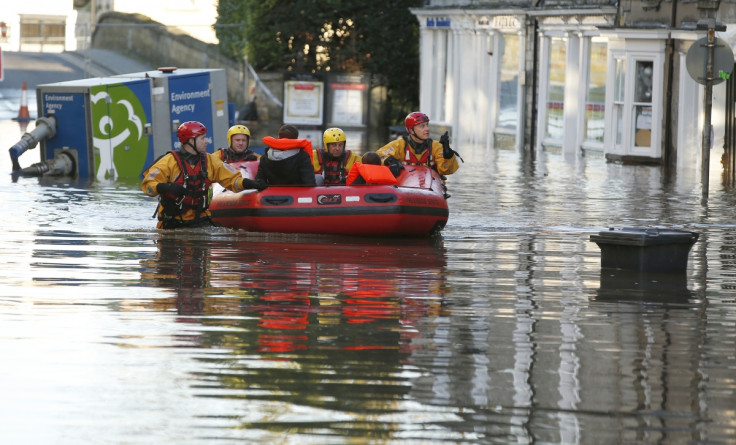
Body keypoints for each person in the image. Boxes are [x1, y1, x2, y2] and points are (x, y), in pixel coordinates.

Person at [141, 121, 267, 229]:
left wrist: (250, 183)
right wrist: (166, 187)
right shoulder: (169, 161)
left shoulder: (210, 161)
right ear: (191, 141)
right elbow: (148, 186)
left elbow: (232, 180)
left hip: (200, 221)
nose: (206, 141)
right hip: (172, 223)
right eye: (202, 138)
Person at [376, 112, 461, 178]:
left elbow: (446, 170)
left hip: (431, 186)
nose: (427, 129)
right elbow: (379, 156)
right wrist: (390, 161)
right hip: (405, 184)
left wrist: (448, 156)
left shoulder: (436, 147)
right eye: (422, 126)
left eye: (427, 125)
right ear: (411, 130)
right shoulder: (399, 145)